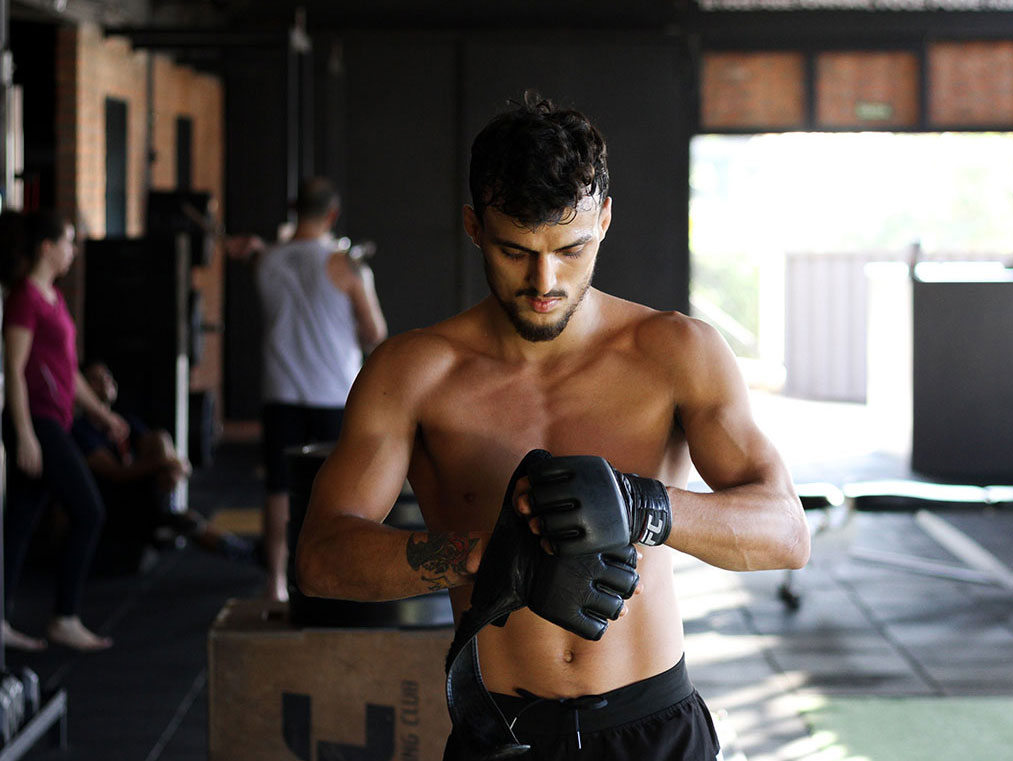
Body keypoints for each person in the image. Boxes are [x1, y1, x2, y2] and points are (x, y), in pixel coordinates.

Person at [294, 94, 810, 760]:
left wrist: (643, 506)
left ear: (605, 220)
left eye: (570, 249)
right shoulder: (413, 373)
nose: (545, 281)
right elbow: (319, 560)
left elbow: (786, 532)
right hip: (505, 735)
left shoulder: (679, 352)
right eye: (515, 251)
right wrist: (487, 558)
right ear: (474, 227)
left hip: (654, 729)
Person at [256, 177, 387, 601]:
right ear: (332, 214)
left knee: (279, 487)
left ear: (295, 209)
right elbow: (374, 333)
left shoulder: (267, 261)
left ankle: (275, 582)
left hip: (280, 391)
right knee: (340, 492)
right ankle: (337, 582)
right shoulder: (346, 266)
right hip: (334, 394)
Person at [1, 208, 125, 652]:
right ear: (47, 247)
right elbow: (14, 371)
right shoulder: (25, 299)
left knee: (18, 523)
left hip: (56, 419)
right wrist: (25, 435)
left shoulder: (52, 298)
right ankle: (65, 617)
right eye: (68, 242)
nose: (73, 250)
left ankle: (2, 619)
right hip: (37, 422)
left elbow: (67, 371)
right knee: (89, 512)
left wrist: (101, 413)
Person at [72, 361, 255, 570]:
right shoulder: (82, 430)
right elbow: (116, 473)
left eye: (107, 376)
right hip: (112, 503)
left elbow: (158, 448)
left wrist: (172, 466)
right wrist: (166, 463)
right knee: (186, 519)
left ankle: (245, 551)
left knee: (160, 439)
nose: (105, 381)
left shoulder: (125, 421)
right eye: (95, 379)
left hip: (146, 495)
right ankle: (170, 510)